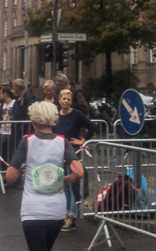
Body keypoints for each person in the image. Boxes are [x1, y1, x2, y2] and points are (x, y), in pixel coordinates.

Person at [6, 101, 84, 251]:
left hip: (33, 210)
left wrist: (24, 169)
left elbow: (10, 177)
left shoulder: (27, 141)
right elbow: (79, 172)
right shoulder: (62, 141)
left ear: (34, 120)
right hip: (56, 210)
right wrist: (65, 180)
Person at [54, 88, 96, 232]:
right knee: (63, 185)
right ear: (59, 100)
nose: (66, 101)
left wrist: (82, 140)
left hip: (72, 153)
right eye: (63, 99)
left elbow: (92, 126)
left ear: (71, 101)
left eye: (68, 99)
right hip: (59, 154)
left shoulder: (76, 114)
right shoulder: (56, 116)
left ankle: (72, 216)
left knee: (72, 186)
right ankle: (65, 213)